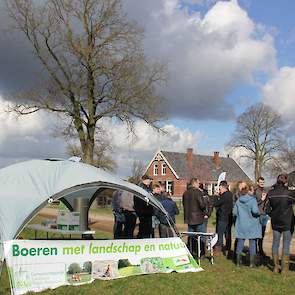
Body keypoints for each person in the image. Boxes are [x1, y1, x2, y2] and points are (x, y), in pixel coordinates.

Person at [266, 174, 295, 273]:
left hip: (275, 221)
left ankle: (275, 267)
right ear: (286, 182)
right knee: (286, 244)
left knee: (275, 243)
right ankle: (284, 268)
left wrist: (273, 214)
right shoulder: (289, 193)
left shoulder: (270, 193)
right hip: (287, 221)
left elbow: (266, 209)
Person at [233, 183, 261, 267]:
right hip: (252, 224)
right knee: (252, 243)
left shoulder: (238, 201)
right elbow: (255, 211)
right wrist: (259, 214)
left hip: (241, 224)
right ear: (248, 191)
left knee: (240, 242)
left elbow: (234, 212)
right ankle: (252, 263)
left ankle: (238, 262)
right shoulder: (252, 200)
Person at [182, 178, 206, 256]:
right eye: (198, 183)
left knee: (191, 236)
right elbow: (202, 205)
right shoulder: (197, 192)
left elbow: (184, 204)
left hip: (189, 217)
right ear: (194, 183)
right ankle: (201, 253)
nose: (199, 185)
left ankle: (191, 251)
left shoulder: (185, 193)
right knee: (201, 236)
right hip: (198, 218)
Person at [213, 181, 234, 256]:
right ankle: (228, 249)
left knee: (220, 234)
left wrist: (215, 196)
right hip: (229, 217)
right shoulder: (231, 194)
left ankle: (218, 250)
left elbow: (216, 203)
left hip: (222, 217)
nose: (219, 190)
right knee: (228, 235)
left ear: (223, 187)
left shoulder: (224, 196)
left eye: (220, 188)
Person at [254, 176, 268, 258]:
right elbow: (253, 204)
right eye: (261, 183)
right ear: (257, 183)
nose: (262, 184)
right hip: (258, 215)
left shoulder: (266, 190)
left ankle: (261, 250)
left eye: (263, 183)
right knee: (257, 233)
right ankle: (255, 250)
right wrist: (261, 200)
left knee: (262, 234)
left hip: (264, 214)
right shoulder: (255, 192)